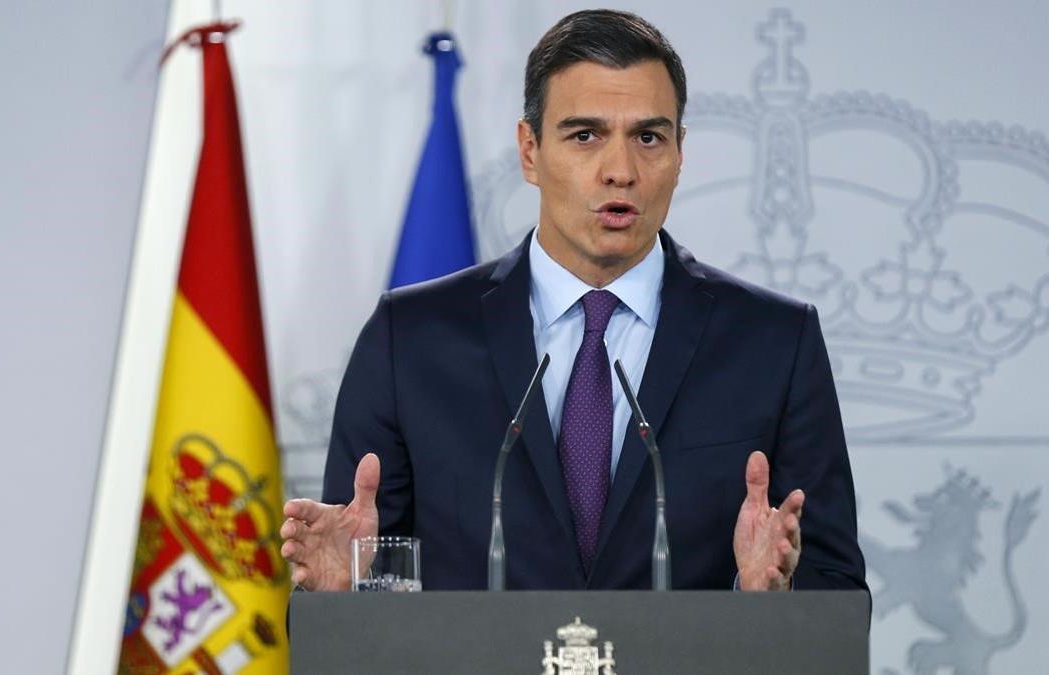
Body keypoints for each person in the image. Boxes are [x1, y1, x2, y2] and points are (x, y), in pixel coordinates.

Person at [280, 9, 866, 593]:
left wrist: (772, 600)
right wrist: (337, 599)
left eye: (648, 137)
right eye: (585, 135)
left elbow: (835, 593)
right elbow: (358, 582)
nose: (621, 170)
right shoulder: (409, 338)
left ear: (680, 153)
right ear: (530, 150)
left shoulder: (772, 343)